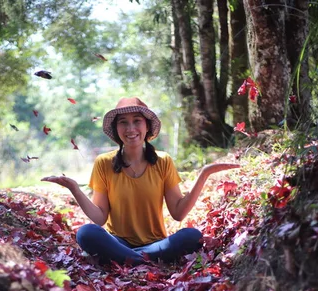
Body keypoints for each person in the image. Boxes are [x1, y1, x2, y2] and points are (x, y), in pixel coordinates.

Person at [41, 97, 239, 266]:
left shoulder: (163, 161)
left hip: (157, 244)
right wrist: (74, 188)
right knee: (85, 233)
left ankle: (131, 260)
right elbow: (100, 218)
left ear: (147, 126)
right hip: (117, 243)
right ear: (116, 128)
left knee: (192, 235)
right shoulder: (104, 163)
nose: (131, 128)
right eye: (123, 122)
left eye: (137, 121)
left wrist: (204, 175)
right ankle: (142, 260)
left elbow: (178, 214)